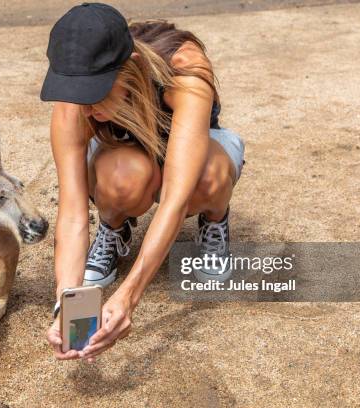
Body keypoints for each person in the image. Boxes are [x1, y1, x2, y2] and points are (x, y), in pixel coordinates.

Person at [40, 3, 245, 362]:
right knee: (123, 179)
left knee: (208, 178)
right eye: (77, 93)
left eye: (96, 91)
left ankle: (214, 221)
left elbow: (174, 201)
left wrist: (128, 297)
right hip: (125, 156)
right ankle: (113, 227)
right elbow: (72, 212)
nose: (85, 107)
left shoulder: (184, 72)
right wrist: (66, 299)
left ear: (131, 63)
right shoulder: (73, 104)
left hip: (195, 146)